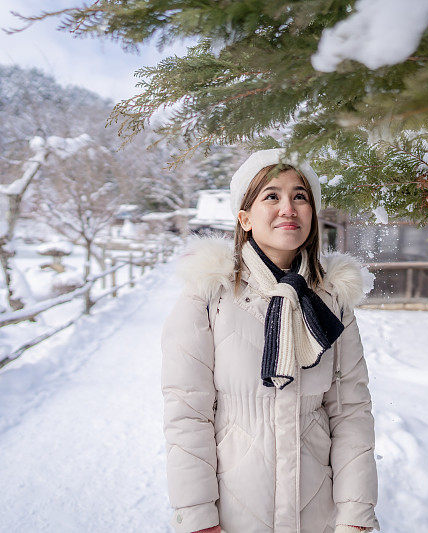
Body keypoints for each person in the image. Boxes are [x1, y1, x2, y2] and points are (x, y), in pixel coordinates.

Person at [161, 149, 380, 533]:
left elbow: (351, 413)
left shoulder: (333, 300)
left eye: (300, 196)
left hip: (317, 509)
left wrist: (356, 516)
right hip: (233, 510)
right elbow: (187, 412)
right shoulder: (209, 294)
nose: (288, 208)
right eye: (271, 196)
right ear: (244, 218)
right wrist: (197, 516)